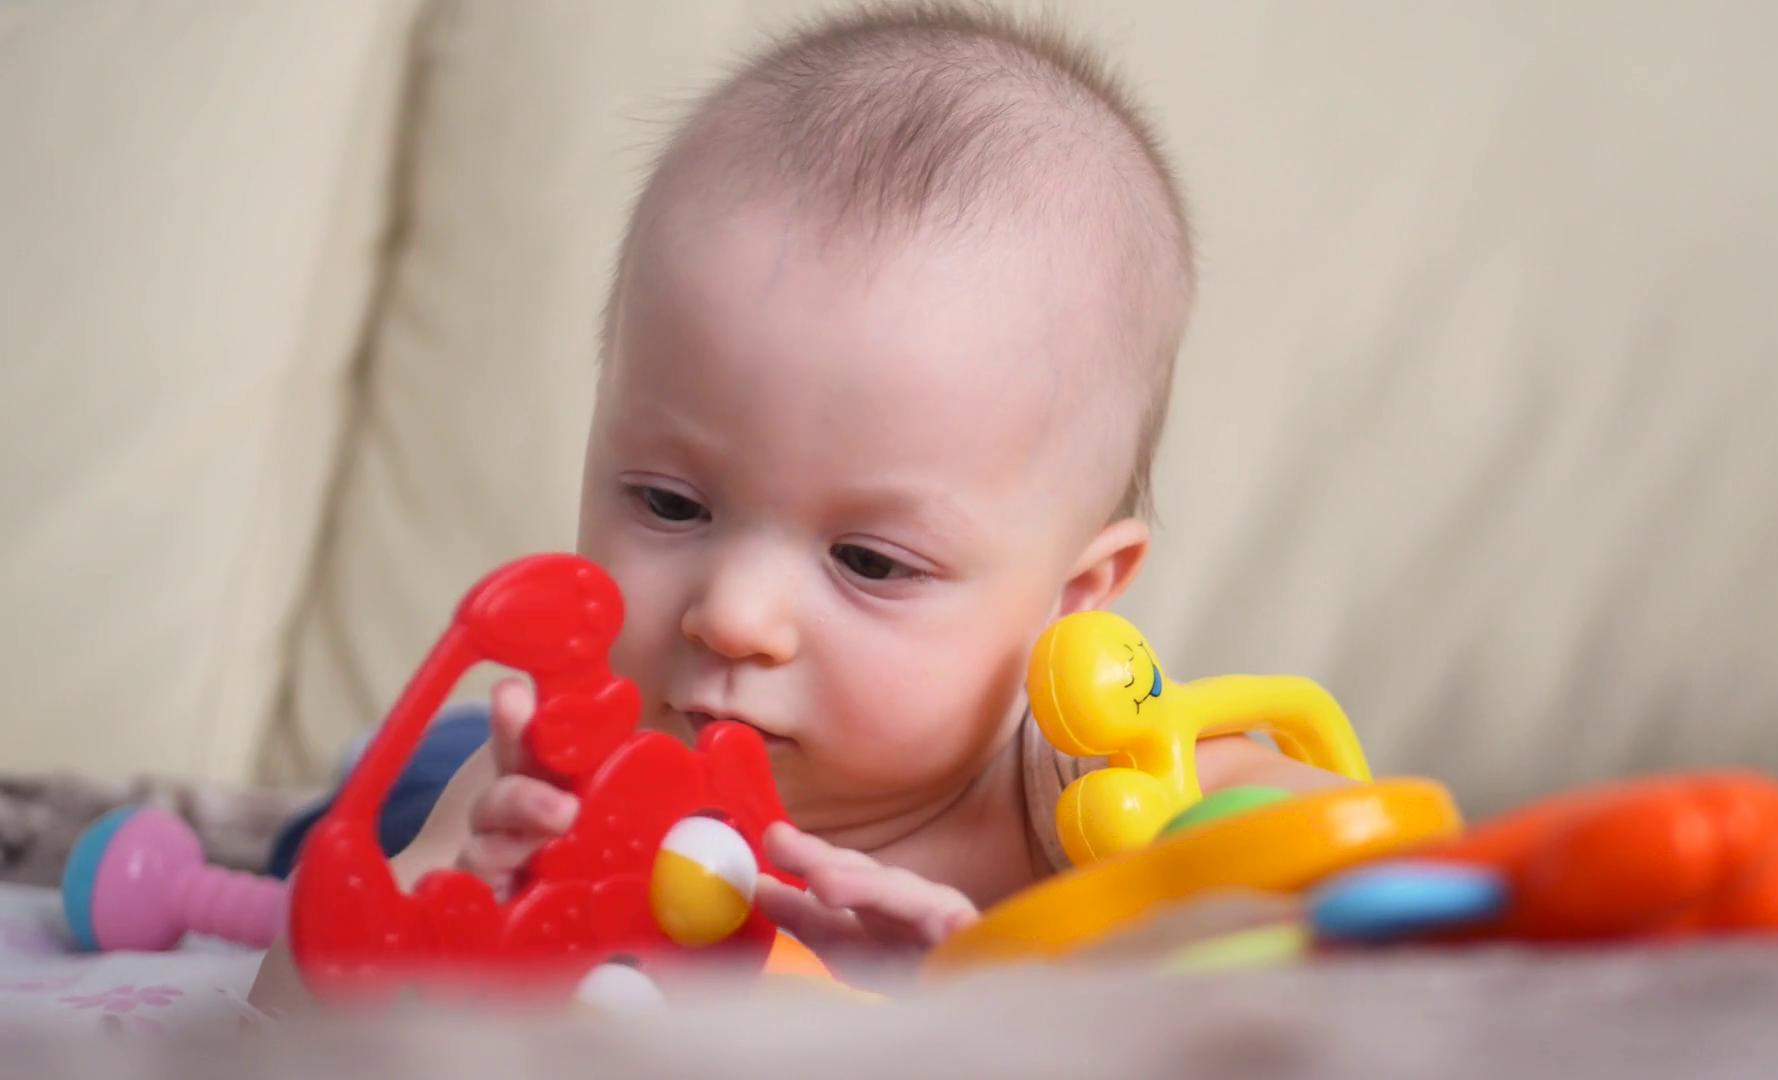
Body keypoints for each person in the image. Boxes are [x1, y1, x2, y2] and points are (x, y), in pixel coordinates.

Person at [250, 0, 1350, 1009]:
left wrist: (1004, 994)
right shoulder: (550, 780)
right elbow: (284, 1023)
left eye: (869, 561)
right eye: (670, 502)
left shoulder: (1113, 803)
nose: (732, 615)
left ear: (1073, 595)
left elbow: (1366, 889)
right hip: (448, 777)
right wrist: (458, 900)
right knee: (349, 822)